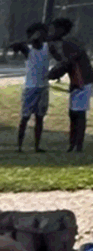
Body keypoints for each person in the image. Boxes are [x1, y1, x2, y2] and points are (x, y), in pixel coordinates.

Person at [11, 23, 53, 152]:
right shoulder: (28, 49)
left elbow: (58, 54)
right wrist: (29, 40)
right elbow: (15, 46)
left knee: (39, 118)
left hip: (43, 87)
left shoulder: (47, 47)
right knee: (25, 117)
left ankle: (36, 146)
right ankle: (19, 146)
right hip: (30, 88)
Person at [53, 17, 92, 154]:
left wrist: (53, 73)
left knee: (78, 115)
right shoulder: (70, 41)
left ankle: (77, 145)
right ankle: (73, 143)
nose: (53, 32)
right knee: (74, 114)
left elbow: (69, 62)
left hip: (82, 81)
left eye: (55, 29)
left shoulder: (68, 42)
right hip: (79, 81)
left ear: (61, 29)